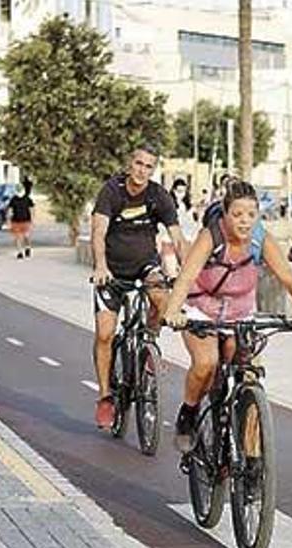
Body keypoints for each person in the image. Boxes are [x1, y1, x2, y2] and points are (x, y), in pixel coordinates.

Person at [162, 179, 292, 452]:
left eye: (251, 215)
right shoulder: (211, 237)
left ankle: (251, 461)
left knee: (249, 374)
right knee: (206, 363)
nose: (244, 221)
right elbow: (186, 276)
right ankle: (188, 414)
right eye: (237, 214)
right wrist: (172, 311)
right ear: (225, 215)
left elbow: (289, 278)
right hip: (202, 307)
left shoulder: (261, 239)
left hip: (240, 313)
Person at [90, 145, 188, 430]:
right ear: (129, 163)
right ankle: (106, 396)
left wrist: (188, 273)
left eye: (148, 166)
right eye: (138, 163)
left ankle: (149, 342)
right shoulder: (112, 191)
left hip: (144, 263)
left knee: (161, 298)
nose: (142, 170)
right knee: (106, 334)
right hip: (112, 271)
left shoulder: (159, 196)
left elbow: (178, 239)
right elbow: (98, 231)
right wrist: (100, 267)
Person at [7, 182, 35, 260]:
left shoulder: (27, 198)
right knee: (17, 237)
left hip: (26, 220)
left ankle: (27, 247)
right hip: (15, 221)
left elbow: (32, 209)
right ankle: (20, 252)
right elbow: (10, 210)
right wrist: (8, 220)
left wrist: (32, 220)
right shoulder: (13, 199)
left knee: (26, 236)